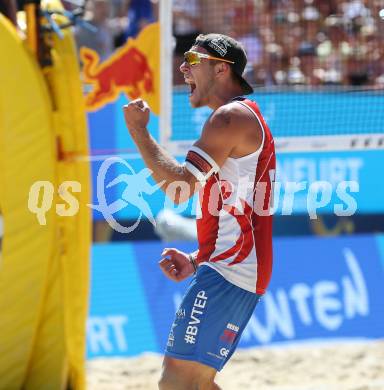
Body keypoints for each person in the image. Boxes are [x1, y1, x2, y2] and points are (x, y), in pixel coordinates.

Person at [123, 33, 275, 390]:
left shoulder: (230, 118)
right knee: (194, 382)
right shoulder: (238, 117)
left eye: (192, 60)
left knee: (178, 382)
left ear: (222, 69)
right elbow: (234, 213)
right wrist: (197, 257)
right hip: (230, 264)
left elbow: (178, 187)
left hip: (233, 269)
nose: (182, 67)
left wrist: (138, 132)